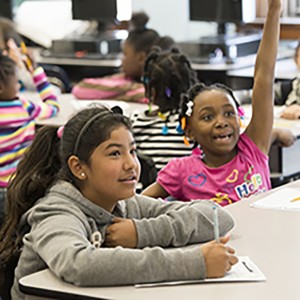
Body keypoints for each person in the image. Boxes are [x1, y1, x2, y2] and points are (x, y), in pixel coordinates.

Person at [0, 106, 237, 300]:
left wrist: (141, 232)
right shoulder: (56, 212)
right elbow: (79, 264)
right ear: (78, 167)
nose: (131, 164)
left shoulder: (124, 204)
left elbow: (218, 216)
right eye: (115, 153)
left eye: (132, 151)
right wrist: (194, 263)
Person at [142, 0, 282, 206]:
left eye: (229, 113)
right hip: (218, 239)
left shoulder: (252, 148)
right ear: (189, 131)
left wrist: (274, 10)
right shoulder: (181, 170)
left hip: (263, 237)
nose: (221, 122)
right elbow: (139, 202)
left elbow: (264, 77)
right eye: (208, 117)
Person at [0, 53, 60, 227]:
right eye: (15, 81)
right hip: (17, 186)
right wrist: (36, 72)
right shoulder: (24, 107)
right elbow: (53, 106)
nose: (19, 85)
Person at [72, 12, 175, 102]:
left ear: (141, 57)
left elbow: (160, 96)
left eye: (125, 54)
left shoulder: (164, 85)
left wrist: (115, 94)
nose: (122, 59)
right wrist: (128, 91)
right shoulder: (126, 79)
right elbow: (80, 88)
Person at [131, 46, 198, 171]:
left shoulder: (137, 122)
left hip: (148, 189)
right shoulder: (195, 123)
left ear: (152, 91)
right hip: (189, 187)